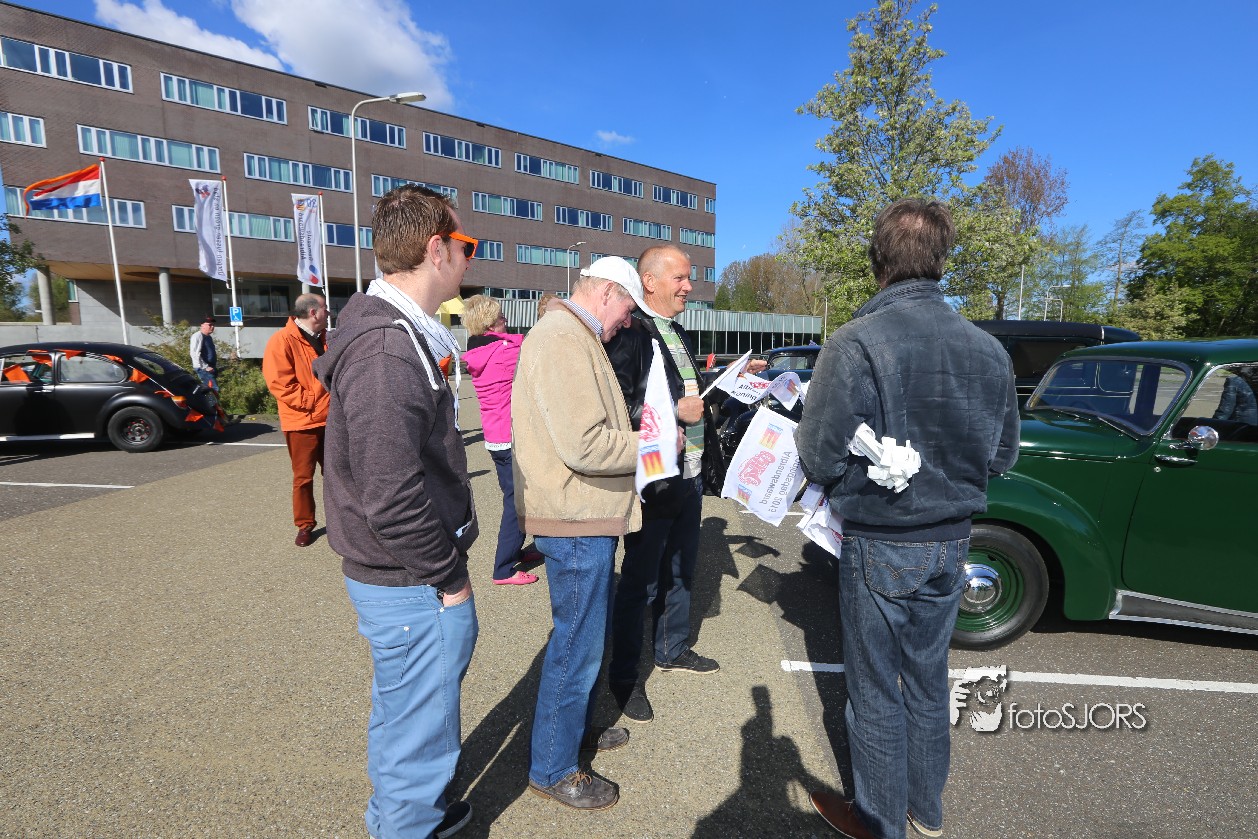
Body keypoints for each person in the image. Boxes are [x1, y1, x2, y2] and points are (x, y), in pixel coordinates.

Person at [797, 198, 1020, 839]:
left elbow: (818, 454)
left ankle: (880, 823)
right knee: (927, 679)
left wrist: (851, 476)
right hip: (954, 541)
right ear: (942, 259)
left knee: (874, 692)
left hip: (883, 540)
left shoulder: (856, 341)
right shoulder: (988, 349)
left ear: (878, 259)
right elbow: (1002, 456)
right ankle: (926, 809)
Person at [312, 185, 479, 839]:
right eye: (466, 244)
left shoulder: (398, 334)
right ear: (437, 249)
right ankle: (409, 822)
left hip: (401, 579)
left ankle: (406, 817)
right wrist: (449, 576)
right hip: (412, 582)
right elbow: (390, 494)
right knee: (418, 736)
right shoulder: (389, 351)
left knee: (404, 717)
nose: (470, 257)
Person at [512, 256, 646, 811]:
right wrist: (654, 446)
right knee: (576, 647)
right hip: (574, 519)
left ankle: (571, 736)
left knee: (583, 641)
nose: (628, 321)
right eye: (629, 308)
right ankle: (553, 767)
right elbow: (585, 445)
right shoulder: (563, 337)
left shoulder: (569, 333)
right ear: (608, 291)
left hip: (581, 515)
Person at [603, 246, 723, 724]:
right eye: (680, 278)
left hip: (687, 473)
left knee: (681, 568)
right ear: (649, 282)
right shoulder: (631, 332)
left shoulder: (676, 331)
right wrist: (674, 411)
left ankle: (672, 648)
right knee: (642, 581)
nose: (689, 287)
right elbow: (619, 405)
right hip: (654, 475)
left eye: (688, 278)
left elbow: (684, 385)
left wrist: (724, 378)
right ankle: (626, 679)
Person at [461, 294, 539, 585]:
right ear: (490, 323)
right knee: (517, 501)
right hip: (511, 436)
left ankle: (516, 550)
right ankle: (503, 568)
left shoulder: (478, 351)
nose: (506, 320)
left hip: (496, 435)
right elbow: (533, 346)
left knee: (514, 494)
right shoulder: (503, 351)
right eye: (501, 317)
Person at [262, 293, 330, 547]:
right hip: (302, 421)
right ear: (313, 313)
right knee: (303, 477)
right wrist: (311, 401)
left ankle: (342, 520)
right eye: (325, 308)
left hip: (331, 419)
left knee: (336, 474)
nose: (328, 313)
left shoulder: (326, 338)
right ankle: (305, 525)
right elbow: (279, 383)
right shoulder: (281, 340)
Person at [189, 316, 218, 389]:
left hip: (210, 367)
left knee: (210, 389)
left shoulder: (208, 337)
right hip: (203, 368)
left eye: (213, 325)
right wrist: (205, 367)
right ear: (202, 325)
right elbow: (194, 353)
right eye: (210, 325)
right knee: (214, 389)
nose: (212, 327)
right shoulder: (197, 336)